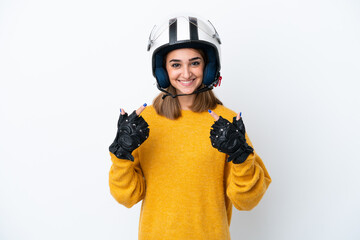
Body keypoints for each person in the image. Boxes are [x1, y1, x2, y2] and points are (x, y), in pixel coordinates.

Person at [108, 16, 271, 240]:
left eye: (195, 62)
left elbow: (247, 201)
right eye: (176, 64)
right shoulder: (142, 124)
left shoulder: (228, 123)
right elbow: (126, 197)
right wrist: (121, 154)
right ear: (162, 70)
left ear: (209, 67)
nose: (186, 74)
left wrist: (241, 158)